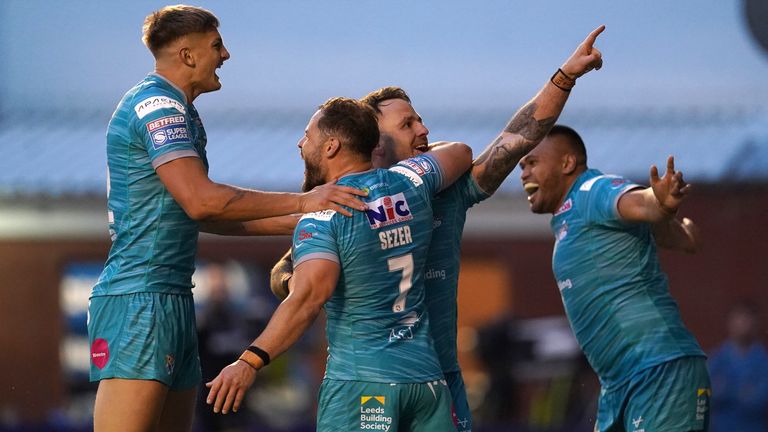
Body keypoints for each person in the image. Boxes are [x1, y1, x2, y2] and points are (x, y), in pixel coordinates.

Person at [269, 25, 607, 431]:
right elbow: (284, 273)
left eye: (421, 121)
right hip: (370, 381)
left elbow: (515, 139)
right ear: (374, 141)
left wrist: (564, 77)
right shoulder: (339, 203)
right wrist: (295, 283)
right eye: (408, 124)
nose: (424, 130)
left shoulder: (446, 188)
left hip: (439, 378)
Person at [87, 5, 367, 432]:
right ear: (187, 55)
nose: (226, 55)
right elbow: (204, 202)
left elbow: (207, 215)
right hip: (138, 299)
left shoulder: (180, 111)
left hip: (171, 297)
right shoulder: (157, 106)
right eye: (216, 45)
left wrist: (318, 218)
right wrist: (304, 203)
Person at [205, 97, 474, 431]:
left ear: (331, 146)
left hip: (362, 384)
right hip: (427, 383)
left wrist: (249, 361)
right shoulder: (410, 183)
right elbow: (461, 152)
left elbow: (309, 298)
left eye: (308, 136)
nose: (301, 144)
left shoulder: (324, 216)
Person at [518, 125, 711, 431]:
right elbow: (660, 226)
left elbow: (641, 202)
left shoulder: (591, 190)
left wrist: (657, 199)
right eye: (521, 166)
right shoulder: (570, 216)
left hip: (658, 370)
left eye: (532, 162)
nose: (524, 172)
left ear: (567, 163)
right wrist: (679, 230)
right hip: (619, 385)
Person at [708, 301, 768, 432]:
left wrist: (725, 388)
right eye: (739, 319)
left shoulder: (764, 361)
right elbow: (706, 395)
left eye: (747, 319)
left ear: (756, 324)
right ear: (730, 322)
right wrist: (743, 390)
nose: (742, 324)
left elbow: (759, 401)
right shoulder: (717, 358)